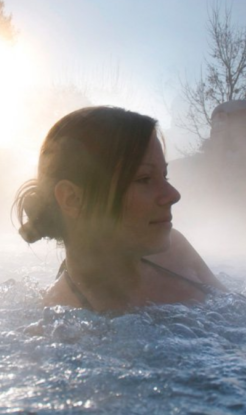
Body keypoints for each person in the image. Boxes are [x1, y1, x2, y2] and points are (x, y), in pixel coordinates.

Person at [14, 106, 225, 312]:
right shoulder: (64, 326)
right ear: (73, 199)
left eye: (164, 175)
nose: (173, 195)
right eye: (144, 179)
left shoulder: (175, 251)